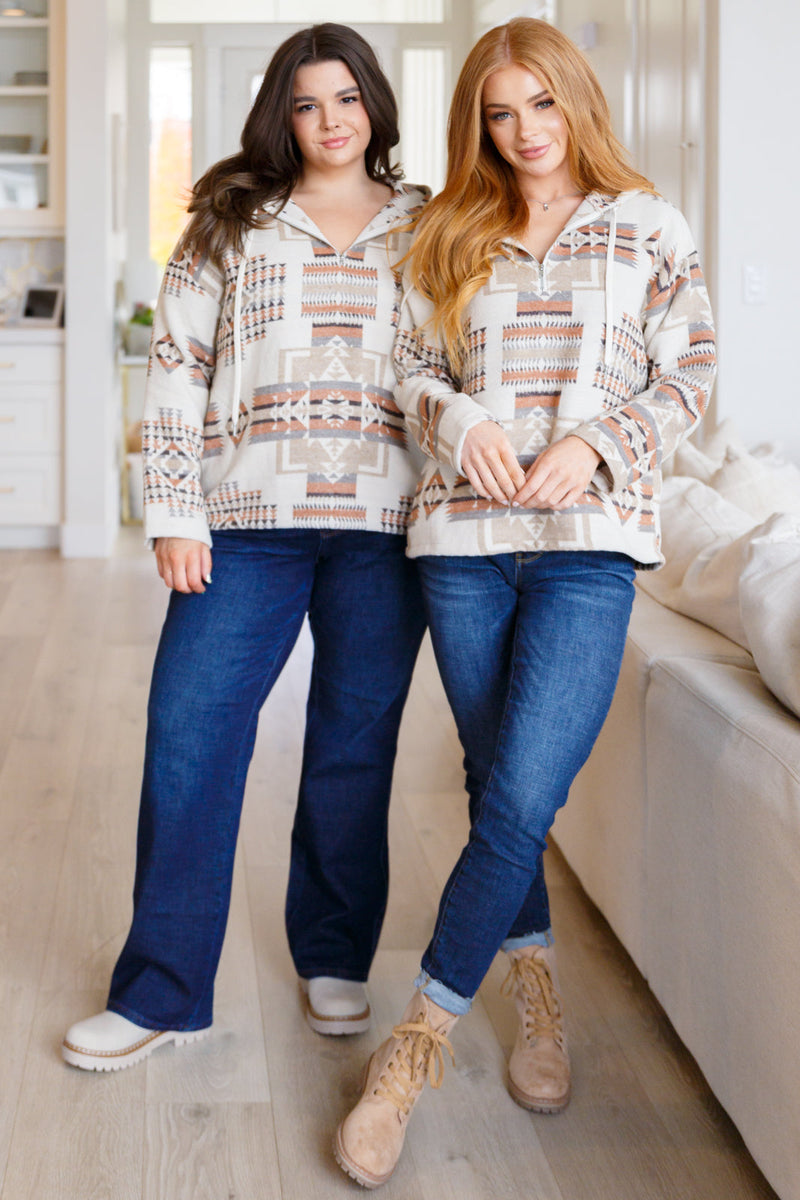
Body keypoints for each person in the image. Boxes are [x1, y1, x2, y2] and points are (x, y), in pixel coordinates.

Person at [334, 16, 716, 1188]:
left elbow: (689, 375)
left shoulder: (646, 225)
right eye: (498, 115)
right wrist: (464, 420)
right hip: (459, 542)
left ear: (574, 102)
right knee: (494, 777)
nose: (522, 133)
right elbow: (407, 374)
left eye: (539, 106)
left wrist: (597, 444)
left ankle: (415, 1045)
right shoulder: (443, 230)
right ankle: (538, 998)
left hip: (586, 548)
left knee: (521, 791)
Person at [61, 23, 429, 1072]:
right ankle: (161, 994)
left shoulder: (429, 222)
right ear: (282, 110)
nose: (328, 122)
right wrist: (172, 510)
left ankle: (333, 956)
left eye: (347, 100)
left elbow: (455, 361)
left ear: (374, 107)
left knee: (354, 747)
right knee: (190, 735)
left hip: (385, 528)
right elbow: (173, 367)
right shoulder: (230, 220)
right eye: (307, 103)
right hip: (244, 525)